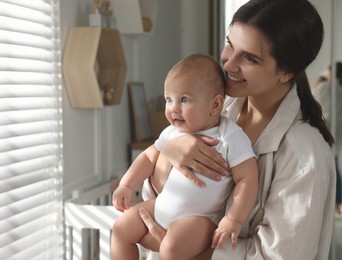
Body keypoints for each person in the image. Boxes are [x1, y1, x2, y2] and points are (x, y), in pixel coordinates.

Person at [138, 0, 336, 259]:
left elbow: (280, 255)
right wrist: (167, 155)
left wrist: (182, 250)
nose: (229, 65)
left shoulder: (303, 155)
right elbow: (155, 200)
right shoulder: (213, 109)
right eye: (230, 44)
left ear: (286, 71)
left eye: (250, 58)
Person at [111, 54, 259, 260]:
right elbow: (148, 158)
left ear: (215, 105)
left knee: (170, 250)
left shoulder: (229, 136)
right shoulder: (172, 132)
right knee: (120, 228)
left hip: (197, 219)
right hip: (160, 206)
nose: (173, 108)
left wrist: (233, 219)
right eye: (168, 99)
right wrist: (126, 185)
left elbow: (248, 179)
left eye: (184, 99)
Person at [312, 62, 342, 214]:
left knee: (330, 168)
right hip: (338, 133)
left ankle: (333, 202)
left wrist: (319, 82)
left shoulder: (325, 87)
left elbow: (316, 107)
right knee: (334, 166)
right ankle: (337, 203)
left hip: (326, 131)